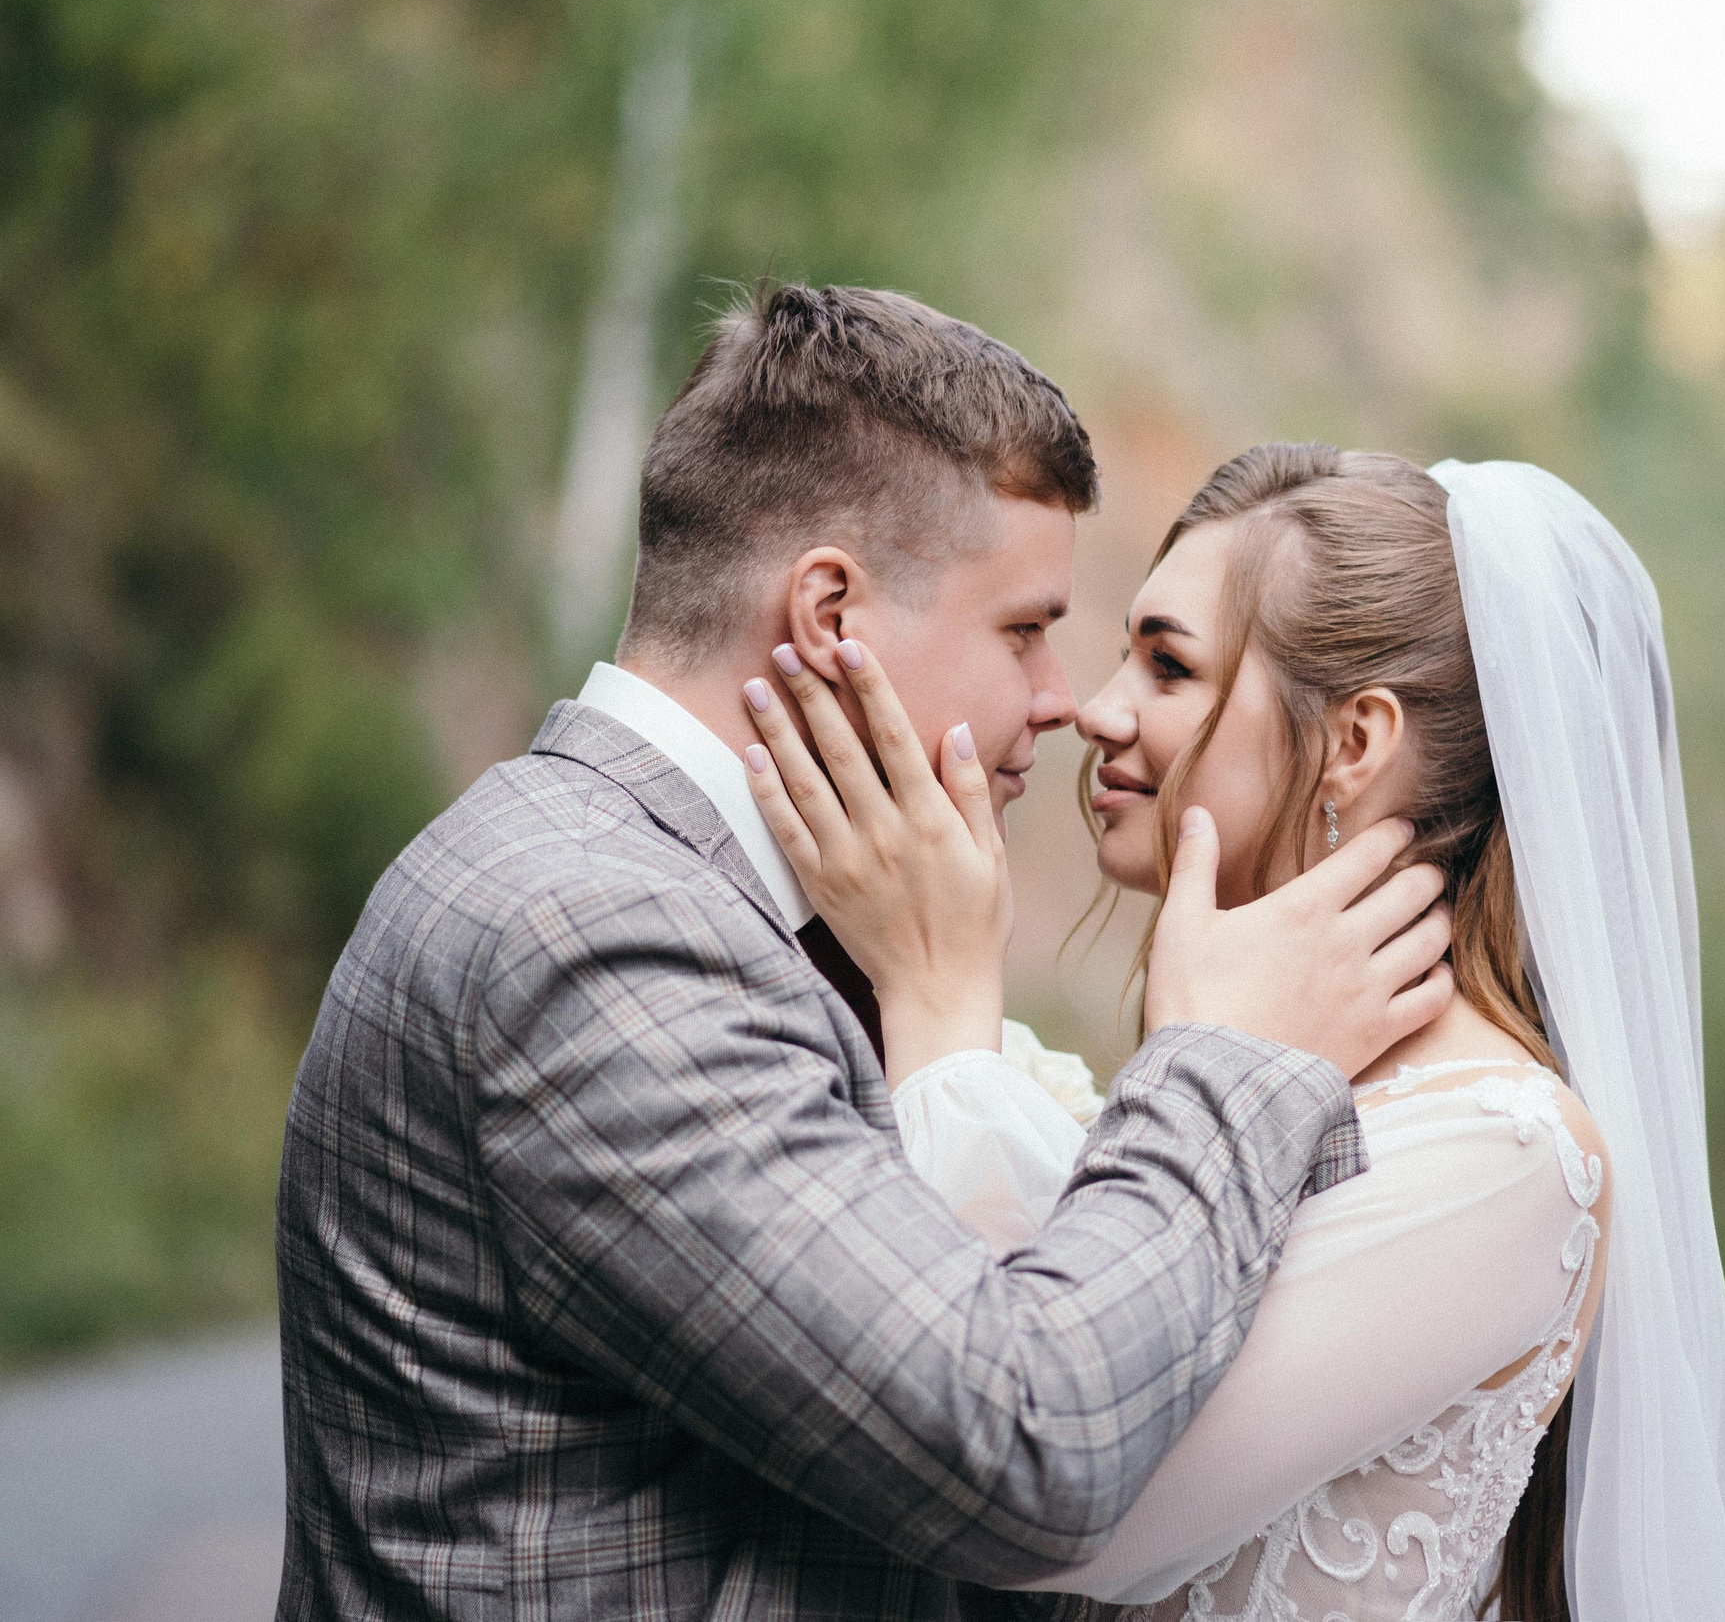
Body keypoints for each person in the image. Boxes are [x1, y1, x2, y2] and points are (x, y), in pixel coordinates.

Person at [272, 287, 1456, 1622]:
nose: (1061, 699)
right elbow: (1025, 1444)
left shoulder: (672, 903)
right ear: (831, 611)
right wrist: (1230, 1061)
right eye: (1024, 628)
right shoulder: (595, 937)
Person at [749, 446, 1725, 1619]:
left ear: (1354, 740)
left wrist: (940, 1002)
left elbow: (1046, 1511)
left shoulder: (1505, 1158)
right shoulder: (1248, 1069)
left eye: (1168, 664)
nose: (1098, 707)